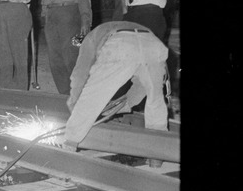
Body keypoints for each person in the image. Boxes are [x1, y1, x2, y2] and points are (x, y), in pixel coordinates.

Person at [61, 21, 169, 151]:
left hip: (121, 43)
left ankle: (70, 144)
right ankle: (157, 152)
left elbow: (80, 75)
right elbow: (142, 85)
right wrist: (127, 103)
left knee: (92, 96)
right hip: (153, 44)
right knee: (155, 99)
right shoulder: (109, 27)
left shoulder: (89, 39)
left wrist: (74, 103)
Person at [37, 0, 92, 95]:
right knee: (55, 59)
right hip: (52, 15)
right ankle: (64, 95)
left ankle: (79, 95)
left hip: (70, 13)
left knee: (71, 57)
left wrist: (85, 21)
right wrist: (44, 15)